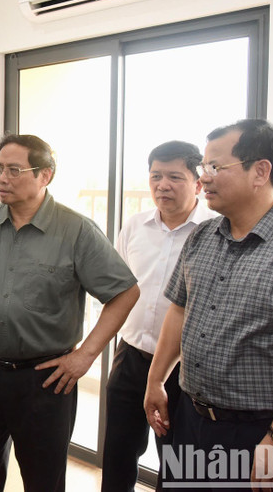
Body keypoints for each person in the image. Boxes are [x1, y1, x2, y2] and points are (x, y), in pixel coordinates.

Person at [0, 133, 140, 492]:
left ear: (44, 175)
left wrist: (85, 356)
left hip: (45, 380)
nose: (2, 178)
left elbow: (125, 292)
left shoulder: (76, 230)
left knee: (43, 480)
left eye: (14, 170)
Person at [144, 119, 273, 489]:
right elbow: (179, 311)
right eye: (203, 167)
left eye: (215, 166)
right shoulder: (202, 236)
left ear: (260, 171)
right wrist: (155, 380)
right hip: (191, 419)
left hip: (258, 432)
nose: (204, 177)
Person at [101, 141, 216, 492]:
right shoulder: (135, 226)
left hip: (185, 368)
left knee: (179, 463)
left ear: (197, 183)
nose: (162, 185)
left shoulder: (214, 232)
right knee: (118, 453)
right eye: (155, 176)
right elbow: (119, 289)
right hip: (131, 356)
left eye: (174, 177)